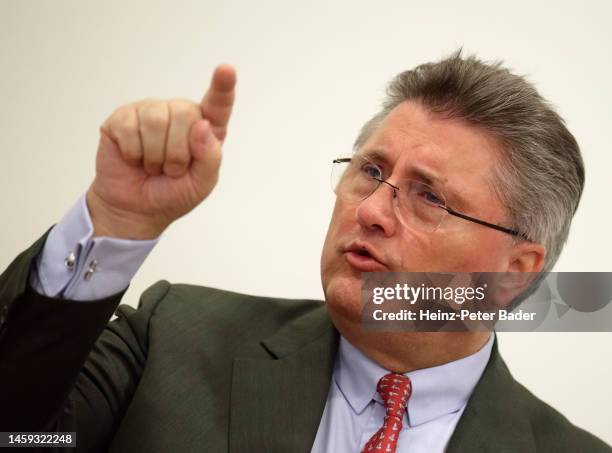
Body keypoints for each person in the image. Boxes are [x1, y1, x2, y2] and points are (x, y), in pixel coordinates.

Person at [0, 50, 609, 453]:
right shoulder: (174, 337)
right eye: (370, 171)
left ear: (516, 269)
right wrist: (114, 219)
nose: (370, 209)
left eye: (428, 197)